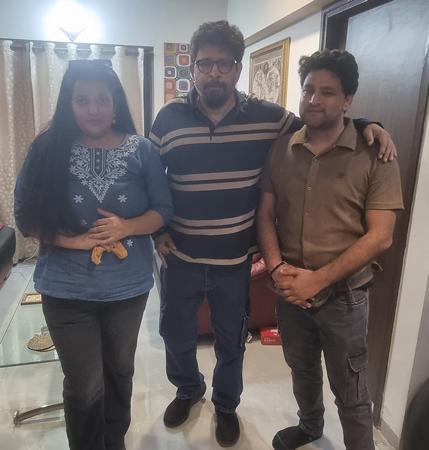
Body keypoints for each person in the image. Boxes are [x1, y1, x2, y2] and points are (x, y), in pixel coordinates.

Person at [150, 20, 396, 448]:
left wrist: (366, 123)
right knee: (175, 335)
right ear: (192, 67)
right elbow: (149, 179)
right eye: (205, 64)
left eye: (224, 64)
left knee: (231, 343)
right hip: (182, 258)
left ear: (238, 67)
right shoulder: (168, 118)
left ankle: (226, 405)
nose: (214, 73)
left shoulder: (268, 119)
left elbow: (321, 121)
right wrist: (157, 232)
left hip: (234, 263)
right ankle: (188, 389)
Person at [14, 59, 173, 450]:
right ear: (68, 104)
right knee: (85, 385)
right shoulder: (47, 149)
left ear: (115, 102)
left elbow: (163, 211)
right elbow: (25, 218)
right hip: (65, 290)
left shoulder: (142, 150)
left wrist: (126, 227)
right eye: (82, 99)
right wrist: (75, 241)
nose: (93, 109)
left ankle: (114, 441)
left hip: (127, 290)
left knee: (119, 372)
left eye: (102, 99)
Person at [257, 49, 404, 450]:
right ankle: (310, 427)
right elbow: (265, 214)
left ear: (347, 100)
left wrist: (318, 280)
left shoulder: (375, 153)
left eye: (327, 92)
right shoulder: (281, 148)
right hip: (290, 292)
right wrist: (276, 269)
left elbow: (381, 236)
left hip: (344, 298)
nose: (314, 100)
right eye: (308, 90)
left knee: (352, 391)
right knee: (302, 371)